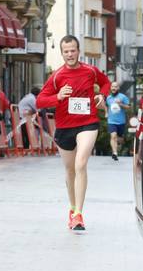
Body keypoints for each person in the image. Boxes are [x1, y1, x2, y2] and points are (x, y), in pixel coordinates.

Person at [36, 35, 111, 232]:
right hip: (64, 127)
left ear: (79, 51)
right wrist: (58, 96)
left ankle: (79, 214)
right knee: (70, 170)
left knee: (81, 164)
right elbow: (40, 101)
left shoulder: (90, 71)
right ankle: (72, 208)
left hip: (88, 123)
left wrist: (101, 95)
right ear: (62, 53)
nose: (70, 54)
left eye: (73, 50)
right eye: (66, 51)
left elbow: (106, 83)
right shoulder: (57, 76)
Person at [105, 81, 131, 160]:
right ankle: (115, 153)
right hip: (111, 121)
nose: (114, 88)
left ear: (118, 88)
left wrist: (121, 104)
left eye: (115, 87)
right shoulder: (108, 98)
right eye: (112, 86)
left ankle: (118, 146)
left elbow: (128, 107)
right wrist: (106, 112)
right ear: (110, 88)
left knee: (119, 138)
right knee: (113, 136)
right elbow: (106, 106)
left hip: (121, 122)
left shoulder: (123, 97)